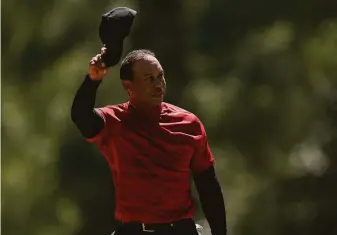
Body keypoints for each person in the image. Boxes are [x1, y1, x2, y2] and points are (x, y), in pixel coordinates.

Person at [71, 47, 227, 235]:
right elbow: (81, 116)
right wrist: (93, 79)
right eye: (148, 79)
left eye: (160, 76)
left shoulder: (189, 124)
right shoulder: (114, 122)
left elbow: (208, 185)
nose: (158, 84)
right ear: (128, 86)